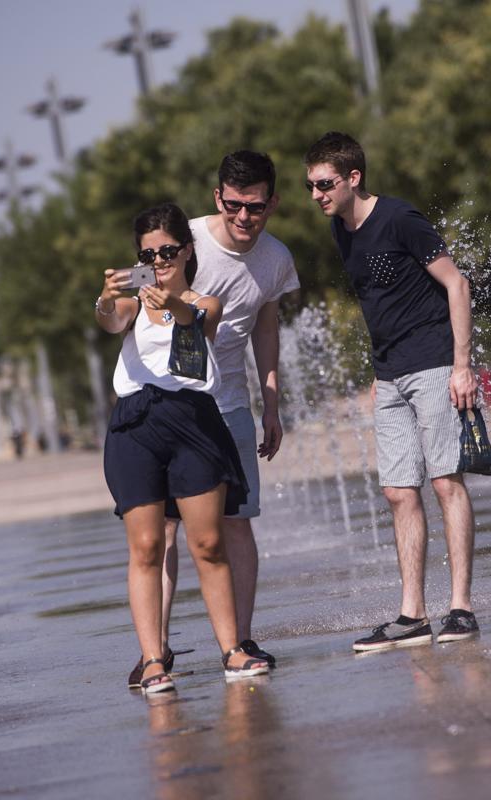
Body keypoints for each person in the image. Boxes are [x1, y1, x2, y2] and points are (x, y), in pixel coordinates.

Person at [304, 131, 482, 652]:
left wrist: (462, 365)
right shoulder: (341, 230)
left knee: (446, 483)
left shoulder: (399, 219)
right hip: (389, 377)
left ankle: (462, 608)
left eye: (324, 184)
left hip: (434, 366)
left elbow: (457, 284)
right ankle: (412, 614)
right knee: (398, 492)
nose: (316, 194)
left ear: (352, 178)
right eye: (310, 186)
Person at [95, 202, 271, 693]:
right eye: (147, 254)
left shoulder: (205, 301)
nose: (158, 260)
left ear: (187, 250)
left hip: (194, 421)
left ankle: (233, 650)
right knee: (147, 545)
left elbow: (196, 320)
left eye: (167, 250)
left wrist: (169, 301)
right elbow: (112, 322)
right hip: (136, 425)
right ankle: (153, 658)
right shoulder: (134, 306)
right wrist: (107, 301)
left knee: (208, 542)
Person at [157, 151, 300, 670]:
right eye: (235, 205)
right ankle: (157, 649)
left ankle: (239, 639)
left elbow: (265, 325)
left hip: (232, 407)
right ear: (218, 197)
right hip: (171, 408)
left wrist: (272, 402)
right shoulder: (185, 242)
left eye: (256, 208)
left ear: (272, 204)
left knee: (237, 524)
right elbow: (138, 300)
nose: (244, 218)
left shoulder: (276, 259)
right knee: (167, 528)